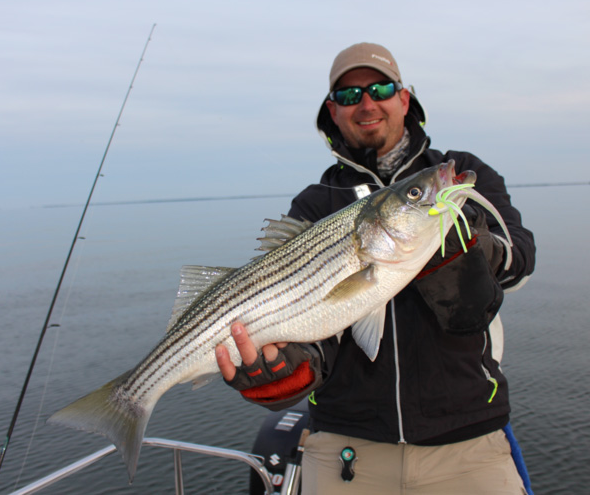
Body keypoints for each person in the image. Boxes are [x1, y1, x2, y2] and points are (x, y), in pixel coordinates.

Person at [215, 43, 536, 494]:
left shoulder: (460, 173)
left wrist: (475, 244)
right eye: (349, 96)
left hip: (469, 445)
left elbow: (519, 258)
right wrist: (287, 368)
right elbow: (318, 332)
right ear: (333, 111)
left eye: (381, 88)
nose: (367, 103)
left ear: (404, 99)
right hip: (346, 450)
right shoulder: (315, 203)